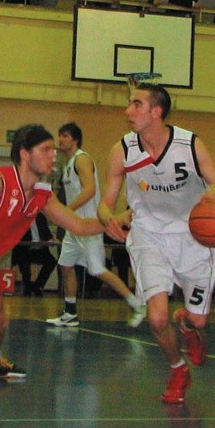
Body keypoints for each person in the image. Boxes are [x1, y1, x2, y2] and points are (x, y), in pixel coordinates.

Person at [0, 124, 119, 396]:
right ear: (25, 154)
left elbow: (81, 226)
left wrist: (118, 222)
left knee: (1, 319)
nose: (54, 155)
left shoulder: (42, 195)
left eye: (54, 149)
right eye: (46, 149)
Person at [98, 81, 215, 404]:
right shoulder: (123, 150)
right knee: (157, 317)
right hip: (148, 236)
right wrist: (111, 219)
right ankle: (177, 368)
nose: (127, 110)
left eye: (135, 104)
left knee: (198, 318)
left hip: (193, 238)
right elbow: (106, 204)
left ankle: (189, 327)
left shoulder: (190, 145)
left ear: (155, 111)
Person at [46, 122, 146, 328]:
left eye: (64, 136)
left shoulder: (81, 159)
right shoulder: (68, 163)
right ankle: (70, 312)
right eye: (60, 136)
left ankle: (137, 303)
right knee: (65, 265)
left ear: (74, 139)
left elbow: (90, 190)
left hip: (89, 225)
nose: (61, 140)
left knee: (98, 270)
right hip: (74, 227)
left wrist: (67, 210)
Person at [11, 212, 57, 297]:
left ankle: (37, 286)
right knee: (24, 262)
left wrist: (52, 240)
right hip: (24, 250)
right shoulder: (20, 217)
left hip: (39, 250)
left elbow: (46, 232)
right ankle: (27, 287)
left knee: (51, 261)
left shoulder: (40, 216)